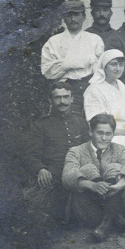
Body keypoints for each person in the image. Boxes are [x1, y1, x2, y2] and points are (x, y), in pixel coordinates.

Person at [62, 113, 125, 242]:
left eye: (108, 134)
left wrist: (119, 184)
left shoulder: (119, 150)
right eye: (100, 133)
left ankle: (107, 224)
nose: (104, 138)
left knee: (114, 168)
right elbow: (67, 176)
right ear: (91, 132)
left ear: (113, 134)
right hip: (89, 210)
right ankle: (118, 222)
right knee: (88, 169)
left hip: (118, 204)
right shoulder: (76, 151)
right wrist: (92, 185)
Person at [25, 82, 90, 223]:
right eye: (57, 98)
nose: (62, 101)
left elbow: (89, 150)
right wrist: (40, 169)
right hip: (55, 173)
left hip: (80, 171)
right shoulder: (40, 125)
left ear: (72, 98)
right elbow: (31, 154)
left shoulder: (80, 122)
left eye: (66, 97)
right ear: (50, 100)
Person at [41, 0, 104, 115]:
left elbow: (100, 70)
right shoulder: (53, 42)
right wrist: (77, 62)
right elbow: (47, 71)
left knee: (94, 120)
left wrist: (64, 64)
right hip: (64, 89)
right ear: (64, 18)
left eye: (77, 15)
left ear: (84, 17)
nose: (73, 19)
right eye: (69, 15)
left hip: (89, 86)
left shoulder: (95, 40)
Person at [83, 49, 125, 145]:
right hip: (106, 138)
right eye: (113, 64)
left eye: (121, 64)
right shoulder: (94, 90)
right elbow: (98, 127)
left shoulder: (122, 87)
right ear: (105, 67)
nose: (118, 68)